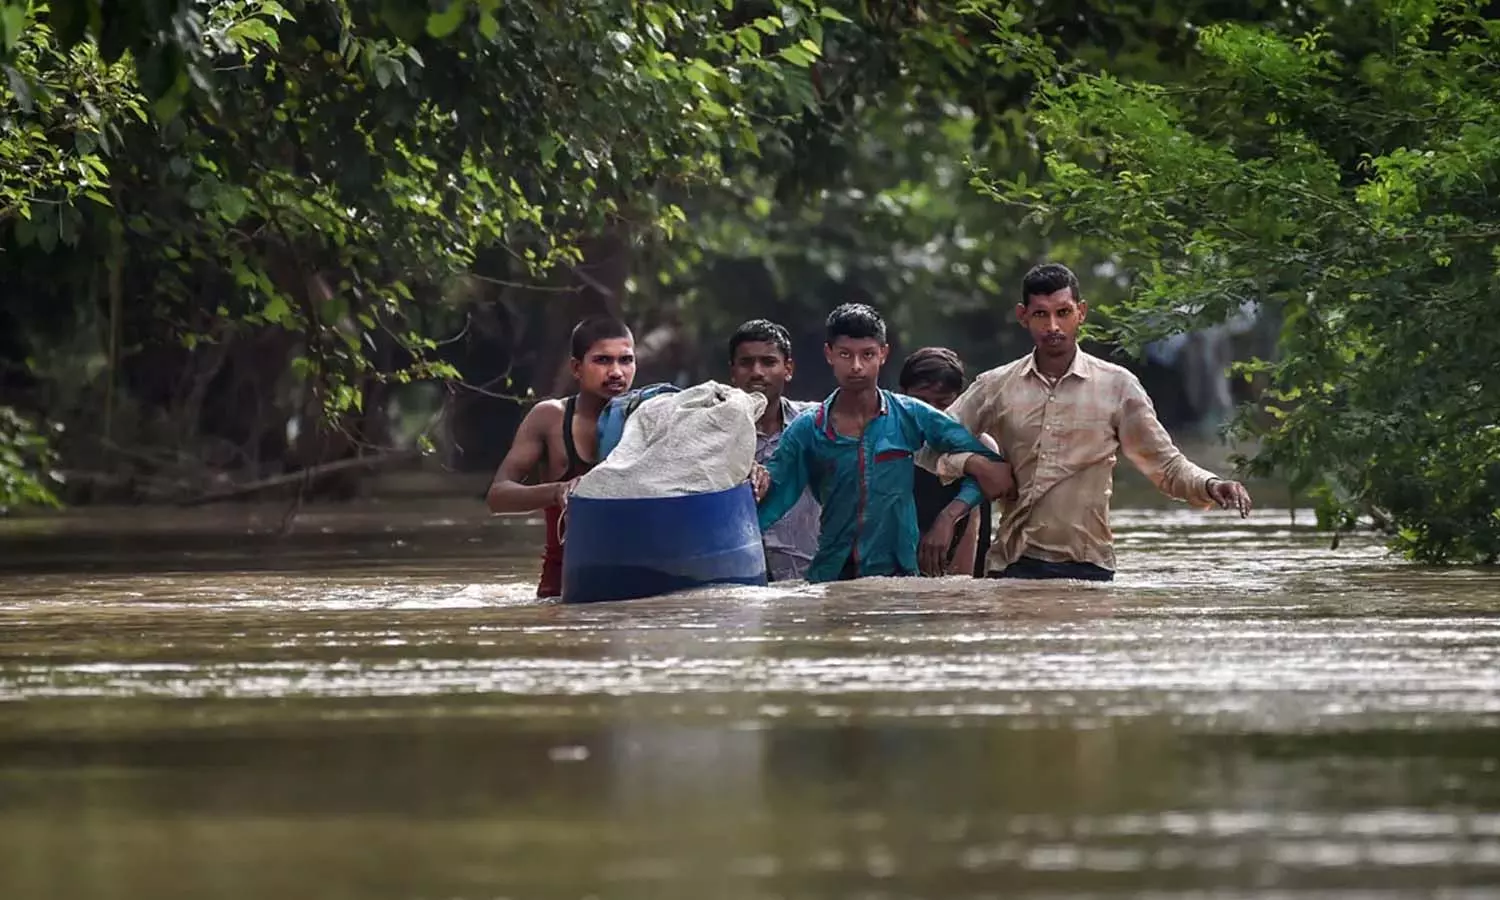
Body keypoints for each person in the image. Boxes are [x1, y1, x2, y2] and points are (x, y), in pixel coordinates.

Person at [928, 263, 1253, 582]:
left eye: (1063, 312)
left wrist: (1210, 484)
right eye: (1041, 314)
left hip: (1089, 567)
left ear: (1081, 312)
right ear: (1023, 316)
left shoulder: (1117, 386)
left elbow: (1165, 466)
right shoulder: (995, 386)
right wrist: (975, 464)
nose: (1053, 326)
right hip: (1013, 565)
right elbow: (928, 447)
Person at [752, 303, 1015, 582]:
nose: (856, 366)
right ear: (829, 354)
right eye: (845, 354)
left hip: (899, 577)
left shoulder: (911, 415)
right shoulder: (808, 430)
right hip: (833, 575)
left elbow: (994, 469)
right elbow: (773, 497)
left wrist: (950, 516)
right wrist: (755, 481)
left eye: (867, 355)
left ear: (883, 354)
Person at [486, 316, 636, 598]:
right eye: (603, 360)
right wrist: (558, 491)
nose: (616, 372)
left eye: (626, 360)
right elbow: (497, 496)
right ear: (576, 368)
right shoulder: (550, 418)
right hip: (562, 593)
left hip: (634, 586)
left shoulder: (650, 418)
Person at [727, 319, 820, 582]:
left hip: (808, 579)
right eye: (746, 363)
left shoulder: (817, 424)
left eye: (768, 362)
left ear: (788, 369)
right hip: (738, 581)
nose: (757, 372)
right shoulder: (715, 434)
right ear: (732, 372)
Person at [899, 347, 997, 578]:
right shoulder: (891, 444)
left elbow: (974, 525)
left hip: (965, 574)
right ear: (901, 396)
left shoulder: (979, 444)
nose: (930, 414)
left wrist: (958, 594)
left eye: (942, 405)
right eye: (921, 402)